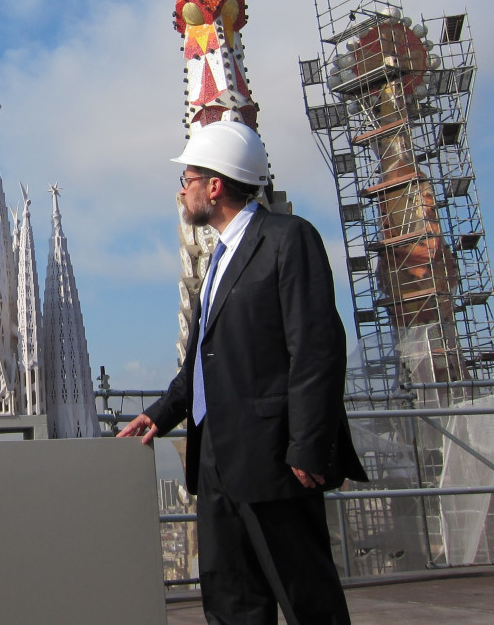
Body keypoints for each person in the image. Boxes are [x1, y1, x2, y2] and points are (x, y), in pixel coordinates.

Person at [118, 119, 366, 625]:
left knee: (306, 599)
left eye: (186, 179)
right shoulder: (219, 259)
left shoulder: (287, 239)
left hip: (276, 461)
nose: (181, 190)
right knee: (232, 603)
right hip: (215, 463)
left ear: (215, 185)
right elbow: (203, 362)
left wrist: (308, 446)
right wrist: (160, 415)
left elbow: (317, 348)